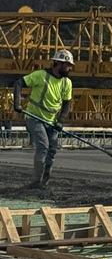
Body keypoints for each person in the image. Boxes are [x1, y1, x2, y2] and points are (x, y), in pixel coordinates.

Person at [12, 49, 74, 187]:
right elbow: (18, 83)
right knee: (43, 147)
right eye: (68, 64)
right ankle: (36, 182)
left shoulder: (67, 83)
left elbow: (66, 105)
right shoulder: (40, 75)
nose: (70, 68)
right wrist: (17, 104)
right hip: (34, 118)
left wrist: (60, 121)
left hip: (52, 122)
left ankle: (44, 182)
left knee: (52, 151)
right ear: (58, 63)